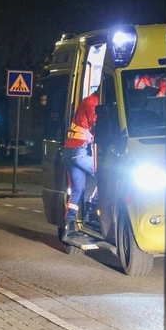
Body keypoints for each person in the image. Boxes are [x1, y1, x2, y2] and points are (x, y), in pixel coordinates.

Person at [63, 90, 99, 238]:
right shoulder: (93, 103)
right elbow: (97, 125)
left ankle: (68, 226)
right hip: (80, 151)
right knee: (105, 175)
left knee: (77, 190)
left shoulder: (87, 100)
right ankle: (92, 210)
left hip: (71, 151)